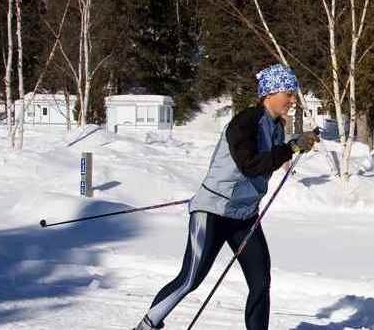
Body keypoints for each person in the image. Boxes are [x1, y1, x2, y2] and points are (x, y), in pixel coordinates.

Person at [133, 64, 320, 330]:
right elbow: (251, 164)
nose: (292, 100)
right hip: (213, 212)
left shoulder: (276, 126)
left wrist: (298, 142)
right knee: (190, 280)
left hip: (244, 216)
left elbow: (272, 155)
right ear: (270, 93)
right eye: (288, 93)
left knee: (260, 283)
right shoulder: (244, 122)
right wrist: (291, 147)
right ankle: (147, 326)